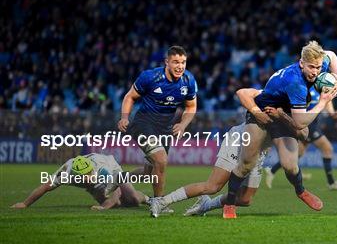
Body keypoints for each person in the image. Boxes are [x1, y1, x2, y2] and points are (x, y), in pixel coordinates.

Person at [222, 40, 337, 219]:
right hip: (263, 113)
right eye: (311, 67)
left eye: (317, 67)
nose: (315, 72)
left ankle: (301, 191)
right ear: (301, 63)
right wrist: (323, 102)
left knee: (290, 166)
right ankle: (230, 203)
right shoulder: (296, 83)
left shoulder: (321, 62)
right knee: (247, 163)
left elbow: (331, 55)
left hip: (283, 113)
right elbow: (300, 123)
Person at [149, 88, 308, 218]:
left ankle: (206, 205)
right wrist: (257, 111)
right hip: (240, 141)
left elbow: (304, 133)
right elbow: (242, 92)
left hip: (258, 152)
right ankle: (162, 201)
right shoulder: (272, 96)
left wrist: (283, 116)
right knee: (213, 186)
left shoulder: (293, 114)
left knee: (245, 199)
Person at [117, 46, 198, 202]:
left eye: (183, 62)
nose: (180, 66)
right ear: (166, 62)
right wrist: (124, 117)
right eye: (175, 62)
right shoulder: (150, 77)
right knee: (161, 160)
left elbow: (191, 106)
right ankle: (159, 202)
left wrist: (182, 124)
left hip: (165, 128)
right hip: (143, 123)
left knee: (150, 172)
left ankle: (118, 179)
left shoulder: (188, 80)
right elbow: (130, 97)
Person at [265, 85, 337, 190]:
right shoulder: (303, 88)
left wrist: (332, 113)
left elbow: (326, 100)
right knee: (327, 149)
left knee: (298, 153)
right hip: (308, 126)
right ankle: (331, 183)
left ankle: (272, 171)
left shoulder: (318, 88)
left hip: (312, 125)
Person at [11, 154, 148, 210]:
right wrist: (24, 204)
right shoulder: (66, 173)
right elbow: (46, 186)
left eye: (89, 172)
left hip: (113, 169)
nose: (89, 176)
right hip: (96, 183)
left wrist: (104, 207)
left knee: (133, 200)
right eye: (85, 175)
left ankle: (142, 184)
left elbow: (117, 190)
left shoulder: (102, 170)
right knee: (119, 205)